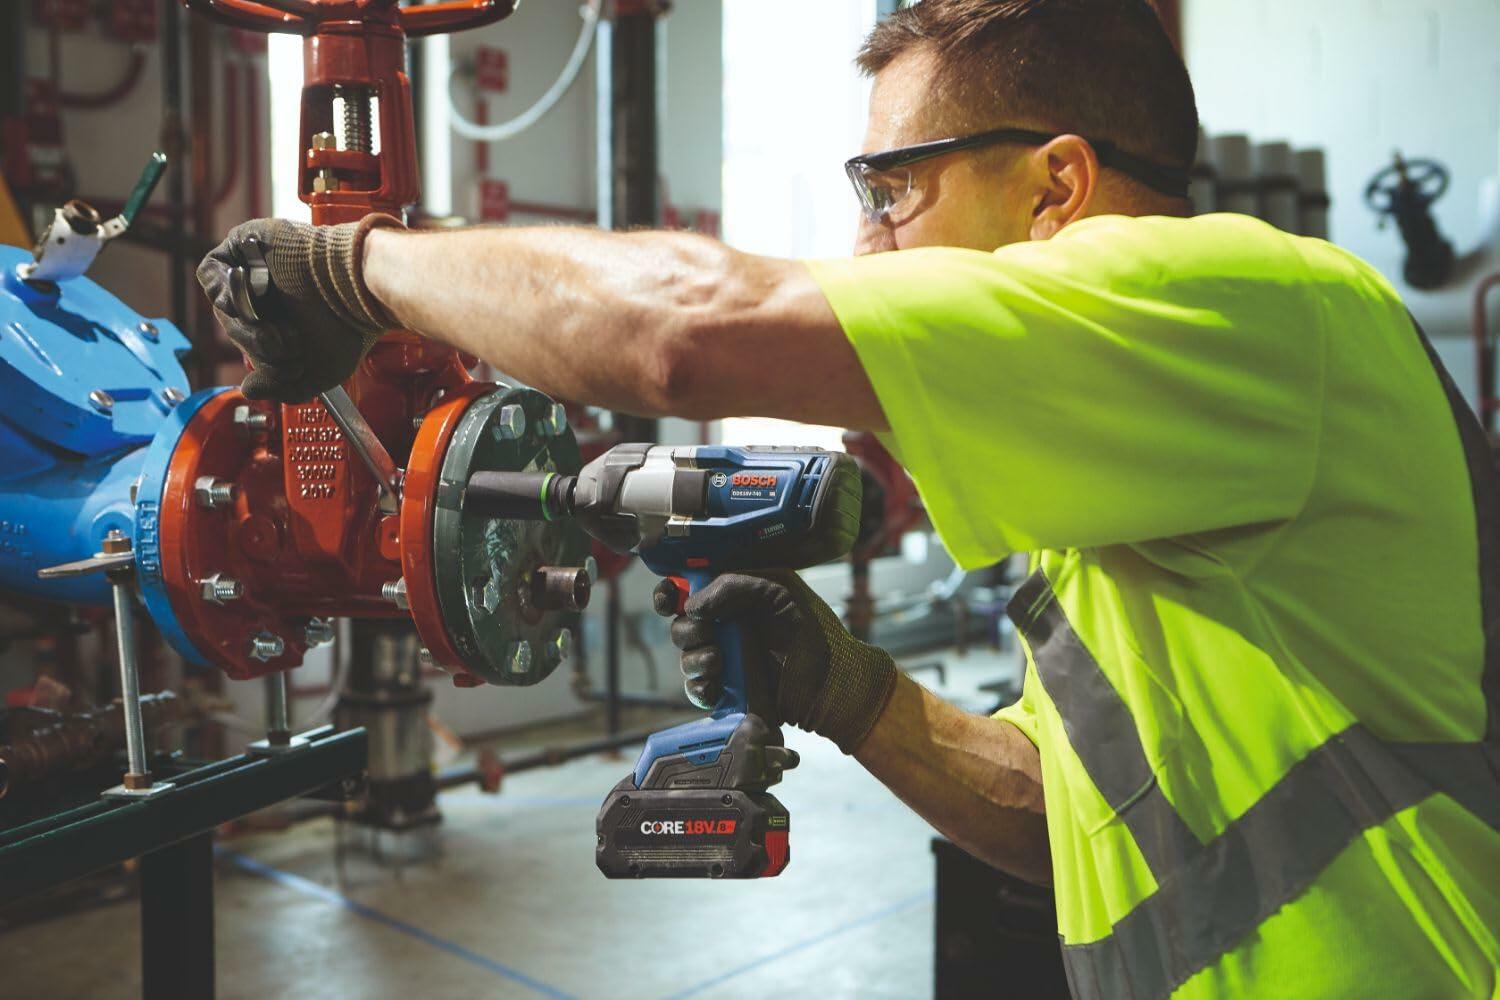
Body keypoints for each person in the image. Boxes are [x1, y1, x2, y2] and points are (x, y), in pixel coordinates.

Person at [198, 1, 1500, 996]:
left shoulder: (1240, 297)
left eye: (891, 190)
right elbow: (1065, 813)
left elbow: (684, 334)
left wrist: (353, 263)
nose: (865, 243)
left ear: (1059, 186)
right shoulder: (1134, 472)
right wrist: (855, 693)